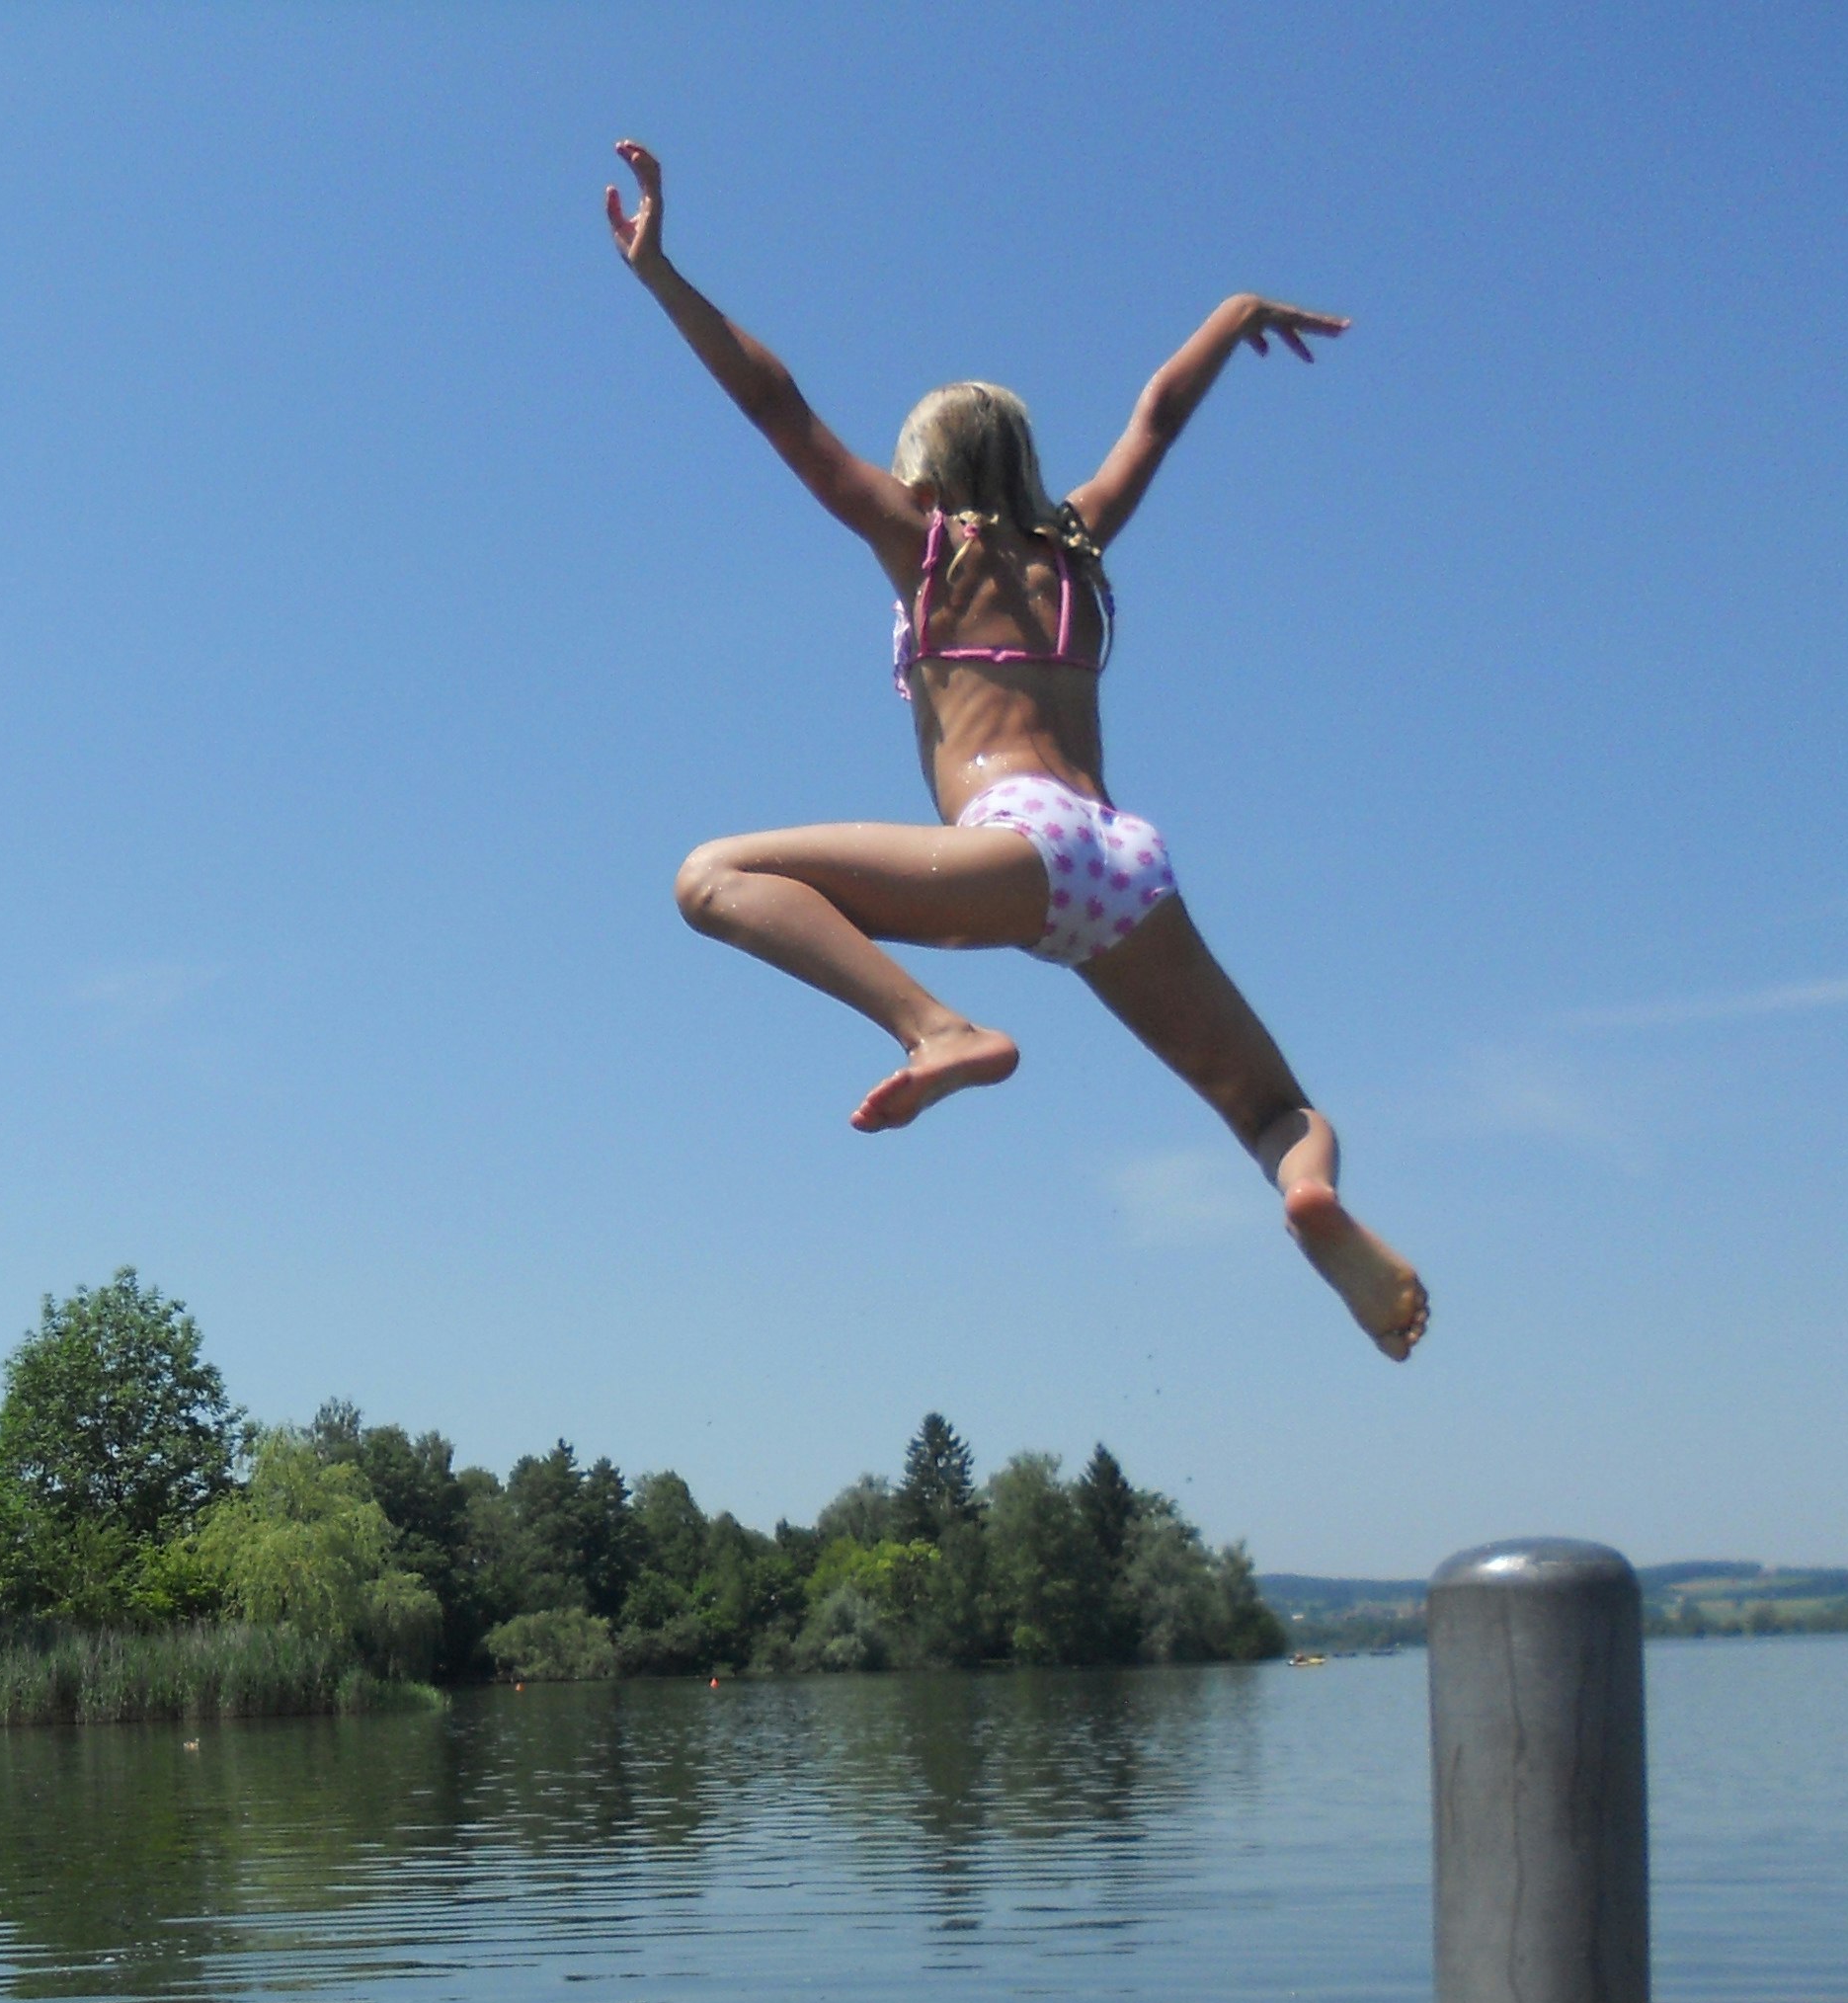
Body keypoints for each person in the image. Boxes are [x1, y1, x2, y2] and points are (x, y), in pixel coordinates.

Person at [607, 140, 1427, 1361]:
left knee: (711, 876)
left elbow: (777, 408)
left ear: (924, 464)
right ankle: (1308, 1197)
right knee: (1274, 1108)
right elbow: (1156, 414)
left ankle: (936, 1029)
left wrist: (662, 276)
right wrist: (1235, 312)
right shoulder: (1081, 551)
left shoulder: (923, 546)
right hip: (1124, 864)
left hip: (1014, 844)